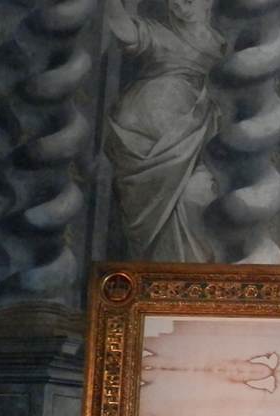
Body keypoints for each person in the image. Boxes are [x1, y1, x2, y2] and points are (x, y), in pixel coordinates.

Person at [103, 0, 224, 261]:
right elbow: (122, 27)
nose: (180, 3)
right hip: (140, 145)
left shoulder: (221, 45)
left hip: (190, 139)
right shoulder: (156, 32)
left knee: (195, 198)